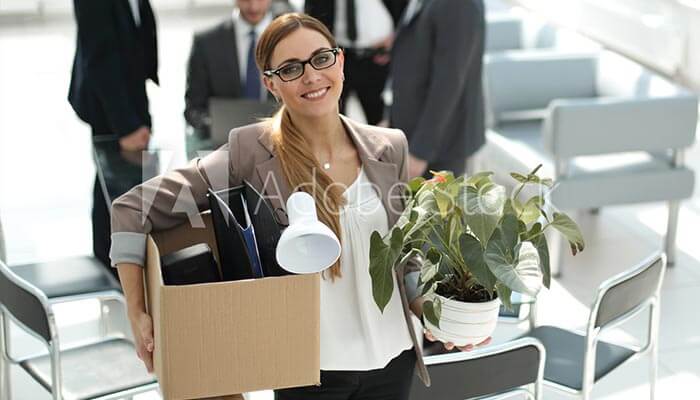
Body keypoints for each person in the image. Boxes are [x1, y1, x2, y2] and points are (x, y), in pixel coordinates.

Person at [111, 13, 487, 399]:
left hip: (395, 360)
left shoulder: (388, 146)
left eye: (321, 59)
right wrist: (137, 312)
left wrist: (443, 317)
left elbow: (405, 262)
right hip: (309, 372)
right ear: (270, 83)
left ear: (339, 62)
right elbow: (132, 209)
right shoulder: (251, 152)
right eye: (291, 69)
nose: (311, 76)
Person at [68, 0, 158, 277]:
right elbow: (100, 60)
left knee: (125, 183)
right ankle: (111, 267)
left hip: (131, 92)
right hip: (107, 105)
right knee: (112, 184)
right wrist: (126, 126)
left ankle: (126, 262)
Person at [390, 0, 486, 179]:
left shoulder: (458, 4)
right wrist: (391, 117)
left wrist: (420, 152)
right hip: (413, 131)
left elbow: (448, 83)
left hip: (438, 146)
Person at [185, 0, 291, 137]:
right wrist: (217, 126)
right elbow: (194, 109)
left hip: (284, 139)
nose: (253, 6)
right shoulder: (206, 43)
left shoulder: (291, 38)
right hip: (224, 144)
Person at [305, 0, 407, 125]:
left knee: (380, 118)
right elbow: (312, 15)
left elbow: (408, 11)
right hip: (337, 56)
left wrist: (397, 40)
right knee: (334, 116)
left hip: (377, 56)